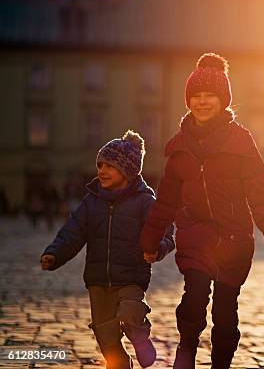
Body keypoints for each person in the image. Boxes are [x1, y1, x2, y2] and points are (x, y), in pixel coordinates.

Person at [139, 53, 264, 369]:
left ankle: (221, 363)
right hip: (196, 235)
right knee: (193, 298)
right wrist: (150, 240)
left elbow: (262, 197)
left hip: (234, 239)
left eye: (209, 95)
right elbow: (166, 201)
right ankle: (186, 352)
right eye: (195, 96)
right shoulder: (179, 147)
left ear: (224, 100)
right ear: (188, 101)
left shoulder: (240, 142)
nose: (202, 101)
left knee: (225, 311)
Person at [41, 130, 175, 369]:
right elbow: (73, 231)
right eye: (100, 165)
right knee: (107, 339)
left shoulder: (145, 201)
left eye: (109, 166)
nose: (101, 170)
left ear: (128, 171)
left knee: (131, 312)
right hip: (98, 281)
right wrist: (55, 253)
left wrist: (158, 248)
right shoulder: (91, 202)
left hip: (131, 276)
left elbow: (165, 231)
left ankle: (141, 338)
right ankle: (121, 365)